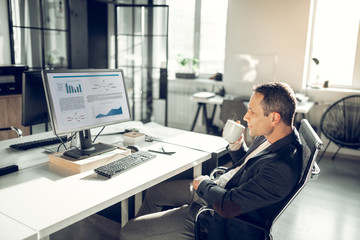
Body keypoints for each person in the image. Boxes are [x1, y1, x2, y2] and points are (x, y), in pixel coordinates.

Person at [118, 82, 303, 240]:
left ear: (274, 118)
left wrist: (205, 185)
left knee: (127, 231)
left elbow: (229, 206)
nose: (246, 117)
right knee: (155, 192)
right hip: (218, 189)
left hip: (215, 216)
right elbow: (250, 168)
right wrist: (237, 148)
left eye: (252, 112)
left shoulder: (281, 167)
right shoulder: (271, 137)